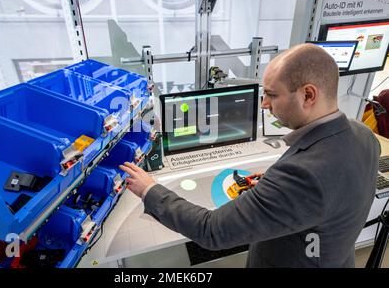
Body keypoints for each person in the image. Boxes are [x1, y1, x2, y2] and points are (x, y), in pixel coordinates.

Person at [119, 43, 381, 267]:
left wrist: (150, 190)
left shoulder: (303, 175)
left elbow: (211, 230)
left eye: (271, 95)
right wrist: (273, 186)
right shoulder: (363, 135)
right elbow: (331, 189)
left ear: (308, 95)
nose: (264, 104)